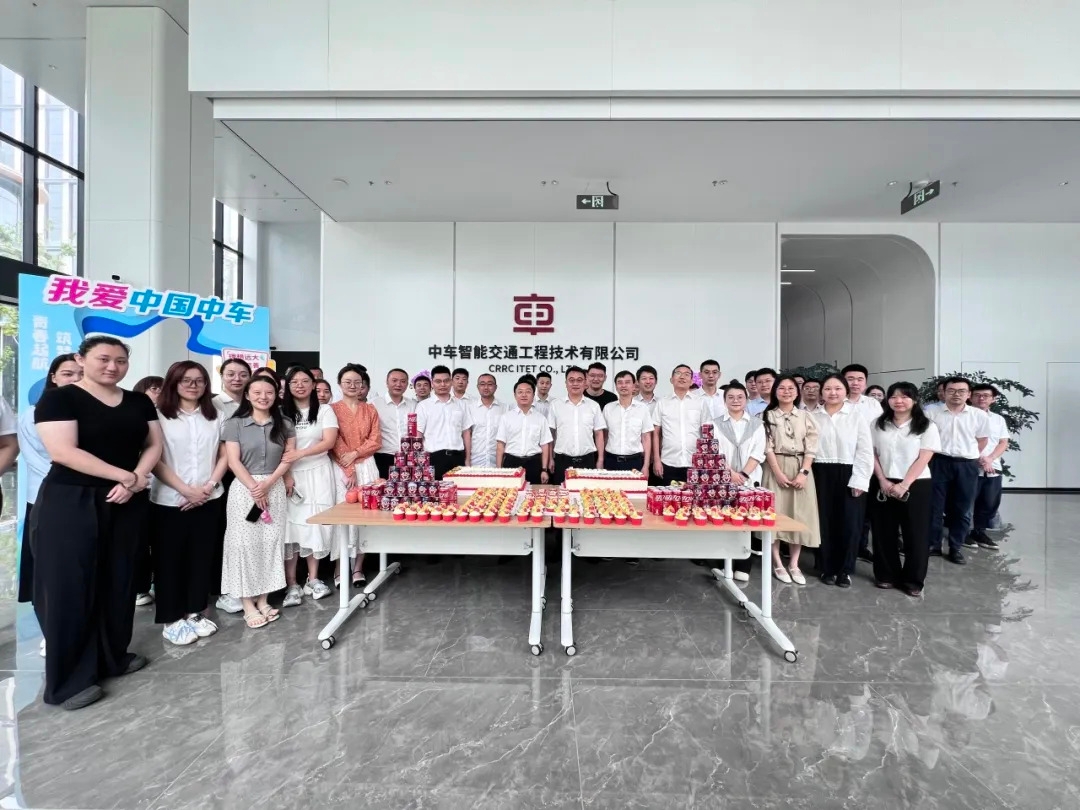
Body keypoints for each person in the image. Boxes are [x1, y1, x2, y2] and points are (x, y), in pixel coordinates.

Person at [32, 335, 163, 710]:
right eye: (104, 359)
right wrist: (125, 476)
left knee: (119, 580)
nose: (112, 366)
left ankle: (112, 656)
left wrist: (134, 480)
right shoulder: (60, 398)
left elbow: (154, 445)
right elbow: (63, 452)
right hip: (72, 500)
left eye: (120, 361)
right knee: (71, 586)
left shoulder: (138, 402)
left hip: (126, 501)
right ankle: (68, 681)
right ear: (81, 359)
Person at [150, 361, 228, 646]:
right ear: (173, 382)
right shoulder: (159, 415)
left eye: (199, 380)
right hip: (169, 500)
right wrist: (186, 490)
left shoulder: (215, 415)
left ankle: (196, 611)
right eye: (186, 380)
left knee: (201, 557)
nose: (193, 385)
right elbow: (154, 457)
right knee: (169, 561)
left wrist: (207, 487)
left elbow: (223, 455)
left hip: (209, 497)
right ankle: (171, 619)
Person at [17, 353, 80, 656]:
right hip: (48, 502)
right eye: (68, 374)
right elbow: (45, 460)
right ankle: (52, 632)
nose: (76, 379)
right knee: (49, 573)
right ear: (53, 377)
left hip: (91, 501)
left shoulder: (93, 412)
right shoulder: (34, 413)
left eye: (81, 374)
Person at [221, 377, 294, 629]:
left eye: (269, 392)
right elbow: (233, 461)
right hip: (244, 490)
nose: (263, 397)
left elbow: (288, 458)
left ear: (276, 395)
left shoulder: (285, 423)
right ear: (248, 395)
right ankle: (247, 604)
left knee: (270, 543)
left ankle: (263, 599)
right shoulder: (235, 424)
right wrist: (254, 487)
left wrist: (268, 484)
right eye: (257, 392)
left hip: (273, 488)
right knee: (243, 544)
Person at [870, 382, 941, 596]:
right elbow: (871, 453)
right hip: (883, 481)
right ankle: (886, 575)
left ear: (915, 400)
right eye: (894, 397)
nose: (898, 401)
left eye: (904, 397)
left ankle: (913, 580)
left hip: (916, 483)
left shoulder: (926, 426)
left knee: (916, 533)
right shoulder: (877, 424)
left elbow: (925, 457)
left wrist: (904, 484)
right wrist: (882, 480)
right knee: (883, 532)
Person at [279, 367, 340, 606]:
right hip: (291, 475)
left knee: (316, 524)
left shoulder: (324, 410)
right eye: (294, 381)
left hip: (319, 473)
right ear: (287, 385)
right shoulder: (281, 411)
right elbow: (279, 446)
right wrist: (287, 474)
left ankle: (312, 579)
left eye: (305, 381)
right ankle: (292, 584)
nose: (300, 385)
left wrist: (300, 453)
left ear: (313, 384)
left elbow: (329, 441)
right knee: (292, 528)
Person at [810, 374, 873, 588]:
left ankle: (845, 570)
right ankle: (826, 567)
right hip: (820, 472)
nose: (833, 393)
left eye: (837, 388)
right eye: (828, 388)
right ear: (821, 392)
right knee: (823, 521)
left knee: (850, 523)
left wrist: (860, 480)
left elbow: (865, 450)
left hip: (849, 471)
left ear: (846, 391)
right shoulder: (813, 416)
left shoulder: (856, 416)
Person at [761, 375, 820, 585]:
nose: (786, 392)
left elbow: (812, 447)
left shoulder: (806, 416)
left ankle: (794, 564)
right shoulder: (766, 416)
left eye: (791, 388)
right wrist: (777, 472)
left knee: (800, 515)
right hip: (774, 466)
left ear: (797, 392)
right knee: (774, 515)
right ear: (775, 391)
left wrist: (803, 473)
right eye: (782, 388)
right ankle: (777, 561)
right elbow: (766, 446)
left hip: (801, 467)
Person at [927, 376, 990, 565]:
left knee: (962, 509)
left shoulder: (978, 415)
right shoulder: (931, 412)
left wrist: (968, 455)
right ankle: (933, 545)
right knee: (934, 507)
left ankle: (956, 547)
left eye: (961, 391)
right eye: (951, 390)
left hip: (967, 465)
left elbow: (982, 440)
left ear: (969, 394)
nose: (956, 394)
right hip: (938, 462)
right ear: (943, 392)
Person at [331, 365, 381, 584]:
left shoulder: (370, 409)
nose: (352, 386)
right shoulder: (331, 410)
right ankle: (339, 568)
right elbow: (333, 440)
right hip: (341, 467)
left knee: (365, 516)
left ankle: (358, 568)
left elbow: (375, 440)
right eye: (347, 382)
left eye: (357, 382)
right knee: (341, 516)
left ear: (363, 385)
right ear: (339, 384)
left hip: (367, 466)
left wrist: (356, 454)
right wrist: (349, 467)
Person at [211, 358, 252, 616]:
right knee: (225, 532)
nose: (237, 379)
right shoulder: (214, 404)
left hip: (253, 476)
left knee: (248, 531)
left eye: (243, 374)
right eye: (231, 374)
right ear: (222, 376)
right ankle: (224, 590)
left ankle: (246, 585)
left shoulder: (254, 402)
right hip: (223, 474)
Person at [715, 381, 766, 583]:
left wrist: (743, 475)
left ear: (746, 400)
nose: (735, 401)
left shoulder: (757, 424)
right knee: (724, 520)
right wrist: (730, 474)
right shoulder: (715, 424)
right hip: (723, 479)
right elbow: (715, 452)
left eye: (739, 397)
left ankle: (744, 565)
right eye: (731, 397)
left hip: (750, 479)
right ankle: (723, 563)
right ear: (724, 400)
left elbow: (758, 453)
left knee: (747, 521)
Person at [967, 383, 1009, 551]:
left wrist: (990, 459)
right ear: (970, 397)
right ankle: (964, 533)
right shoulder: (965, 416)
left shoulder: (998, 419)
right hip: (970, 466)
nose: (981, 398)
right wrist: (979, 458)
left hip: (993, 467)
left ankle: (979, 532)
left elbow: (1003, 442)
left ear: (993, 399)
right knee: (965, 503)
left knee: (989, 503)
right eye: (977, 395)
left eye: (986, 395)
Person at [548, 366, 605, 484]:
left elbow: (599, 434)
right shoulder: (555, 405)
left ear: (585, 383)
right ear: (566, 383)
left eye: (579, 380)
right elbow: (550, 434)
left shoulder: (593, 406)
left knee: (587, 493)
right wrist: (550, 459)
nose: (575, 383)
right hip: (562, 461)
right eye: (571, 380)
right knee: (562, 493)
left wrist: (600, 459)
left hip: (587, 461)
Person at [652, 364, 708, 483]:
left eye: (687, 374)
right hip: (668, 462)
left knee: (693, 495)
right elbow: (656, 433)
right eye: (678, 373)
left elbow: (706, 434)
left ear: (691, 381)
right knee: (668, 495)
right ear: (671, 379)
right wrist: (657, 460)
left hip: (695, 463)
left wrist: (705, 461)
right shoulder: (662, 403)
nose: (682, 377)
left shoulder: (700, 403)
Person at [416, 365, 473, 479]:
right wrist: (420, 462)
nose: (443, 384)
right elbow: (418, 434)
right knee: (436, 490)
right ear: (432, 383)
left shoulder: (461, 404)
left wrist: (467, 459)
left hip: (458, 457)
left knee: (459, 489)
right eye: (438, 381)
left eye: (446, 381)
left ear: (451, 382)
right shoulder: (423, 406)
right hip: (434, 458)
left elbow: (466, 432)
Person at [496, 377, 553, 485]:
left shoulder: (540, 418)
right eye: (520, 392)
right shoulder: (506, 417)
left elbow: (545, 445)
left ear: (533, 395)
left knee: (533, 494)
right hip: (511, 463)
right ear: (515, 395)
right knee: (510, 493)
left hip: (533, 463)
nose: (524, 395)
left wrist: (544, 470)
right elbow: (500, 445)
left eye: (528, 392)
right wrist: (499, 470)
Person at [602, 370, 653, 476]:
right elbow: (604, 436)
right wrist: (601, 460)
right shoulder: (608, 408)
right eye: (620, 382)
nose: (623, 385)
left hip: (634, 462)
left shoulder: (642, 408)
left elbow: (646, 438)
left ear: (634, 386)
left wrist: (646, 466)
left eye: (627, 382)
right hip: (611, 461)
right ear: (616, 386)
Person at [373, 368, 416, 479]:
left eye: (403, 381)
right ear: (387, 382)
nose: (398, 384)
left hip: (407, 457)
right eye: (394, 380)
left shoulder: (413, 405)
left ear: (407, 384)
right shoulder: (375, 404)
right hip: (383, 456)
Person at [469, 373, 507, 468]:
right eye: (482, 384)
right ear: (478, 387)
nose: (486, 387)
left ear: (495, 387)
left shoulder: (505, 408)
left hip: (498, 462)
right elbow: (467, 435)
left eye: (490, 384)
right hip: (475, 462)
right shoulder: (470, 408)